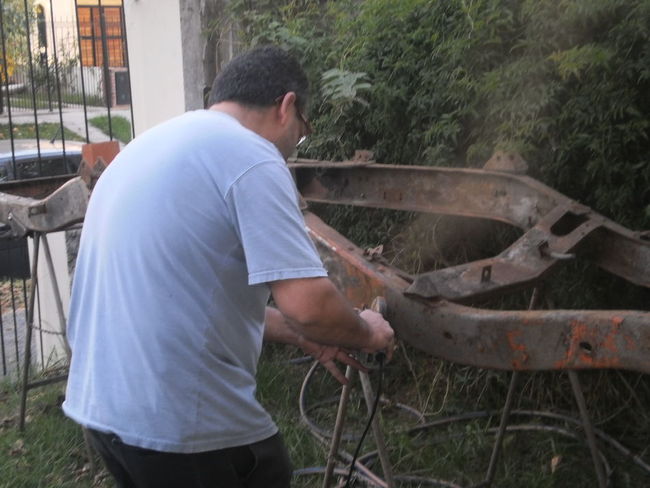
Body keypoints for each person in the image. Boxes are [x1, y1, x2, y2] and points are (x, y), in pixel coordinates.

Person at [62, 44, 394, 488]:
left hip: (104, 414)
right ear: (287, 106)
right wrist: (366, 332)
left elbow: (190, 302)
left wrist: (304, 336)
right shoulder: (252, 156)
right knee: (269, 469)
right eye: (303, 127)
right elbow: (309, 305)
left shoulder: (150, 146)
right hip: (178, 427)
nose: (297, 140)